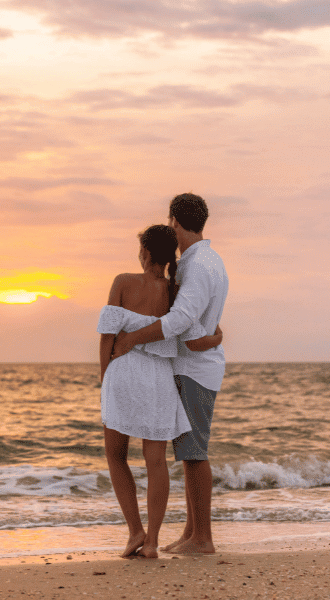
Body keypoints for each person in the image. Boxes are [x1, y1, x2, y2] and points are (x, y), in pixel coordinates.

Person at [111, 193, 229, 555]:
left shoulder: (196, 265)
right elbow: (198, 318)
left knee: (194, 454)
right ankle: (192, 532)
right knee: (188, 452)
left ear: (176, 222)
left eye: (171, 223)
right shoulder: (207, 260)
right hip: (194, 365)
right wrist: (211, 337)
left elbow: (180, 319)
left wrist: (133, 339)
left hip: (194, 371)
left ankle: (203, 538)